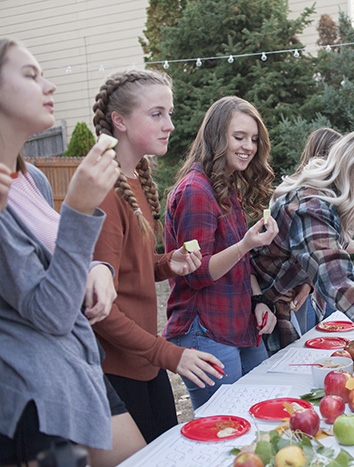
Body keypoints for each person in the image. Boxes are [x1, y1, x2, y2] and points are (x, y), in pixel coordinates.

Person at [0, 39, 139, 466]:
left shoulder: (33, 179)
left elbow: (57, 258)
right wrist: (78, 209)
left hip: (77, 365)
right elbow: (50, 311)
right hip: (35, 389)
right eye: (30, 75)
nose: (50, 85)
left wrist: (95, 267)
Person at [90, 69, 224, 442]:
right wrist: (170, 355)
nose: (170, 124)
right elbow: (101, 310)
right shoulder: (103, 190)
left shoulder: (133, 178)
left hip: (146, 364)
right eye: (156, 114)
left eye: (169, 113)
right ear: (119, 121)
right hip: (115, 371)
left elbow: (131, 269)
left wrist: (168, 263)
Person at [251, 128, 354, 356]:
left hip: (279, 303)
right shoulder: (312, 205)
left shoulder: (325, 200)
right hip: (254, 307)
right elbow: (335, 278)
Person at [164, 96, 279, 410]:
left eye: (254, 139)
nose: (249, 146)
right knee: (226, 425)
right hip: (205, 329)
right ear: (217, 137)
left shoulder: (228, 186)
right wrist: (247, 244)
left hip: (237, 323)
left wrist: (258, 301)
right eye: (238, 137)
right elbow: (198, 272)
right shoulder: (196, 191)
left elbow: (239, 262)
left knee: (262, 407)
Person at [292, 127, 354, 329]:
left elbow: (330, 244)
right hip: (294, 295)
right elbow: (333, 274)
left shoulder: (329, 203)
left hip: (312, 288)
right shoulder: (311, 202)